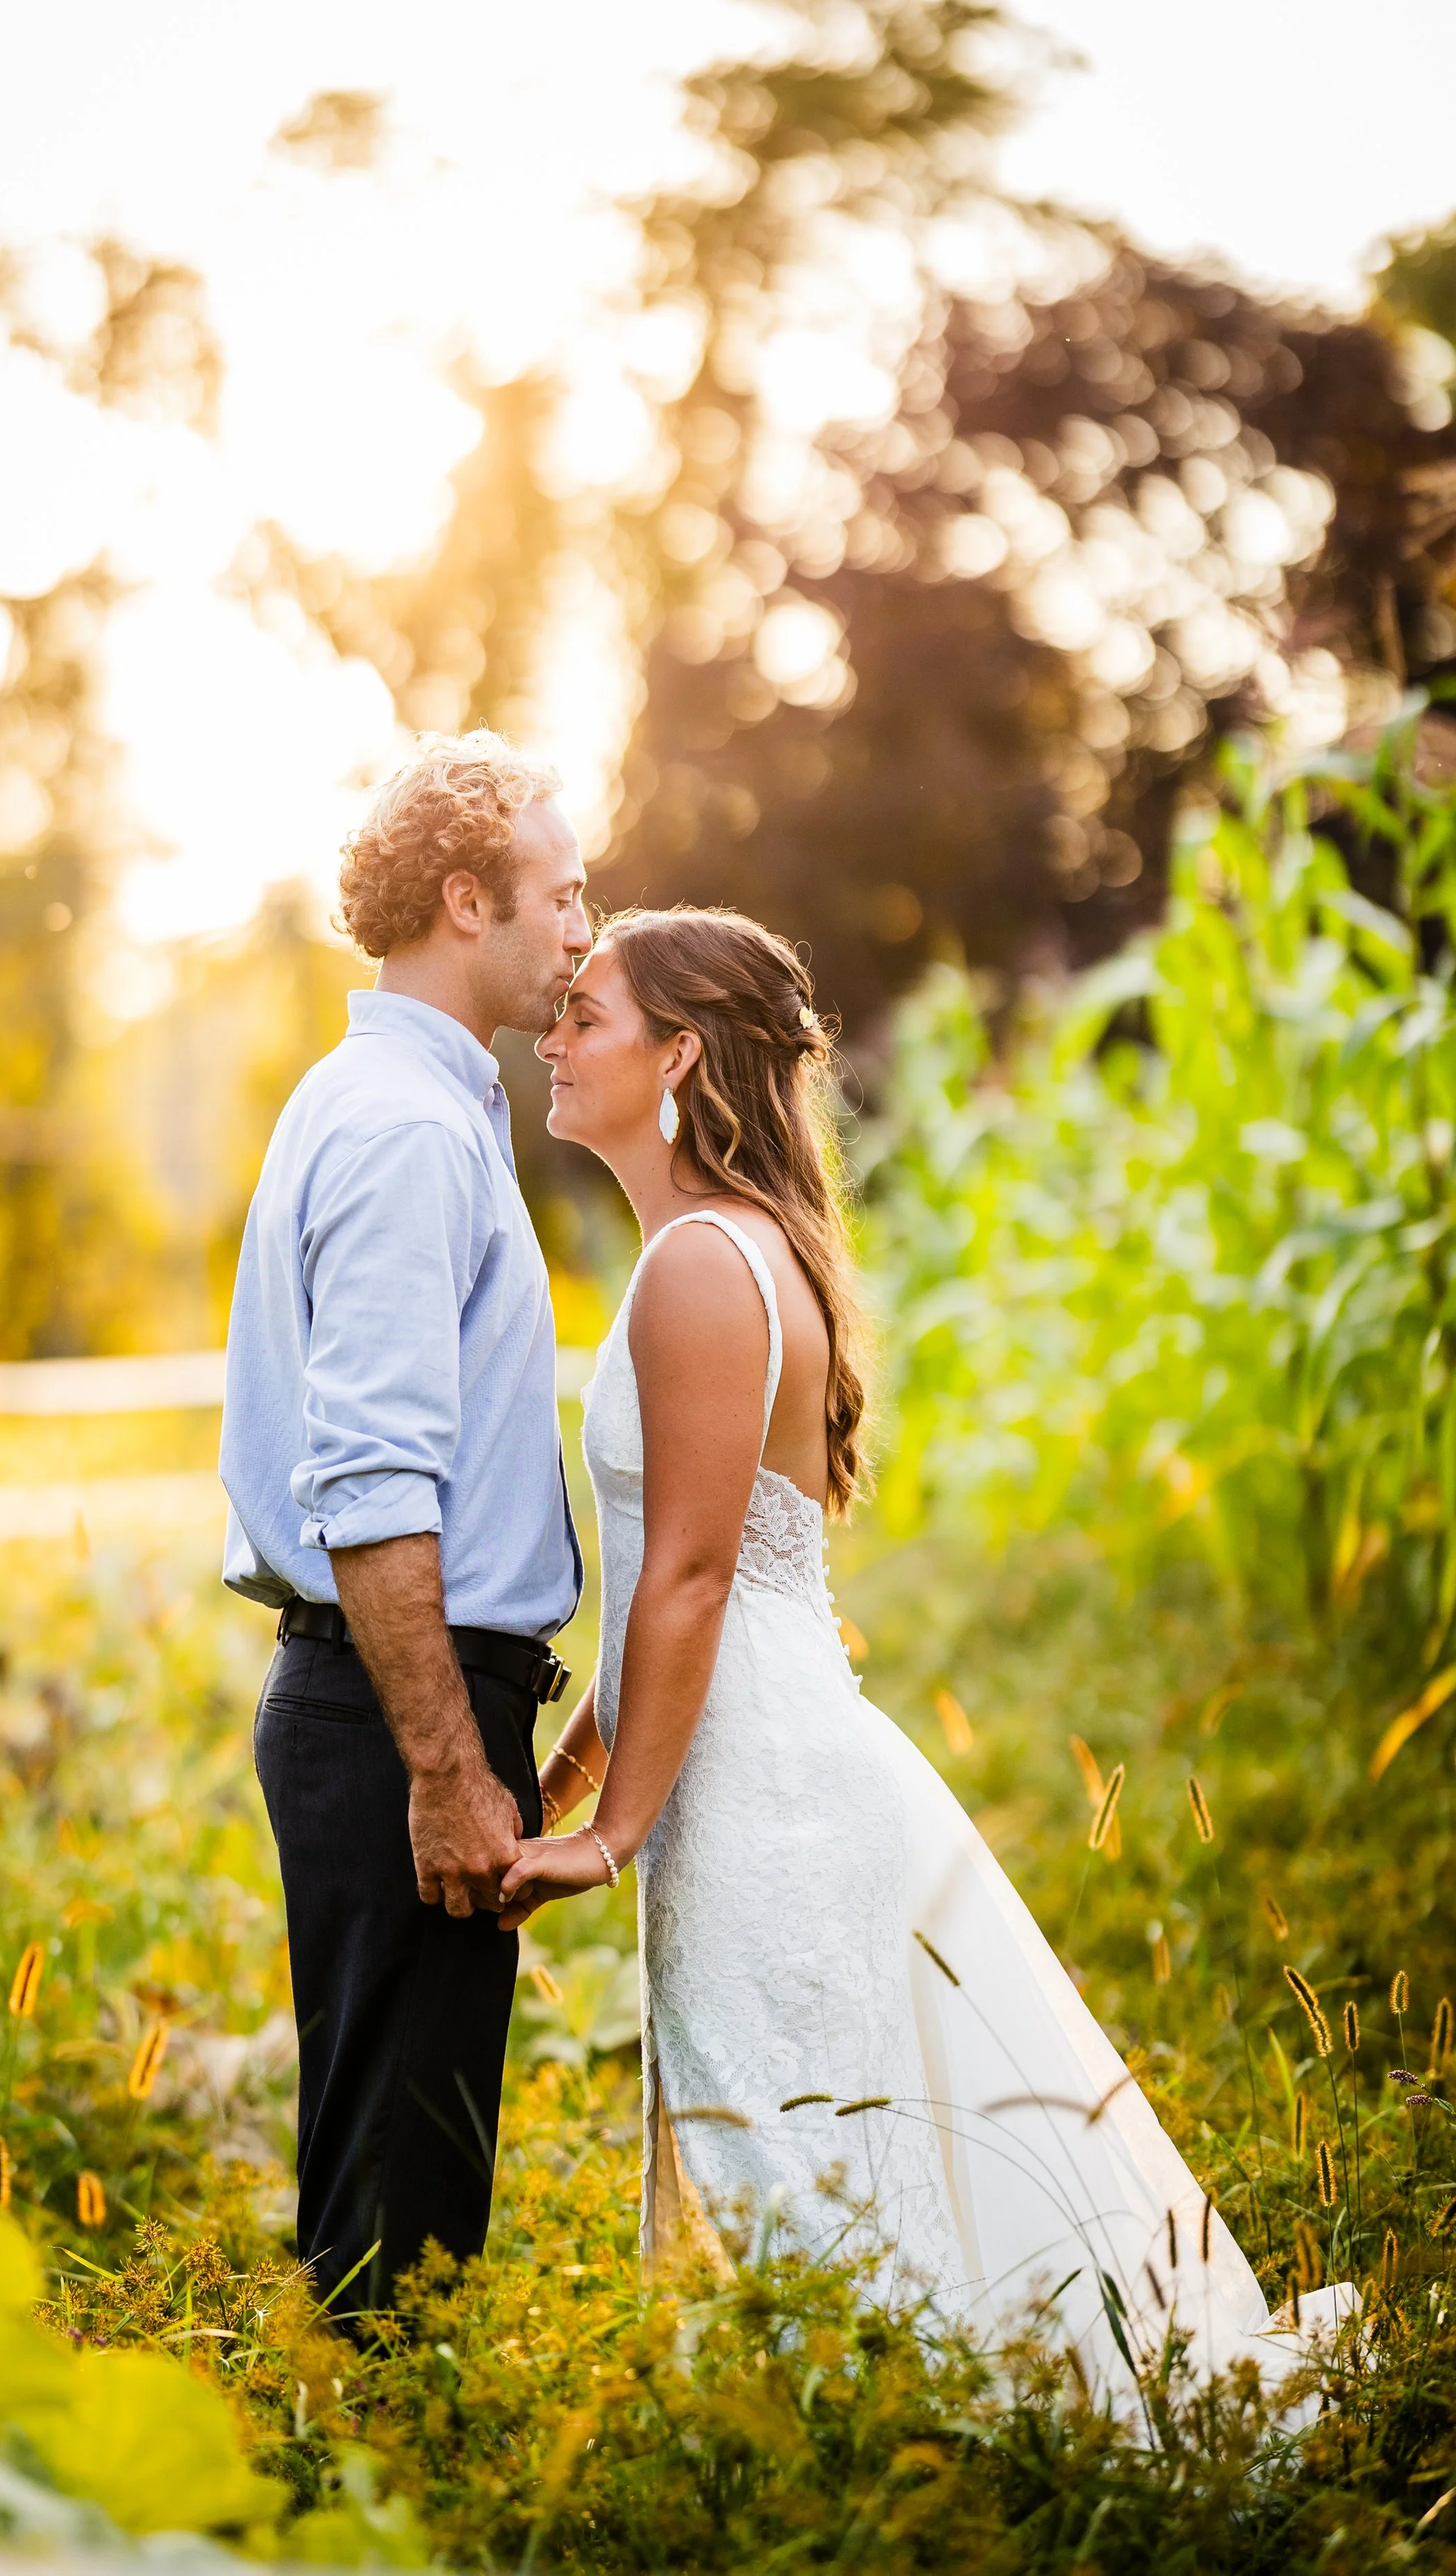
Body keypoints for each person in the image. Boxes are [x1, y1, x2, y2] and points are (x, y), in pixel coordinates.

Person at [502, 904, 1348, 2404]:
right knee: (820, 2128)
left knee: (791, 2133)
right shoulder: (725, 1248)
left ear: (679, 1057)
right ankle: (869, 2430)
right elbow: (665, 1581)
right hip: (760, 1751)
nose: (552, 1039)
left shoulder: (701, 1265)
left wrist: (609, 1835)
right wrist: (558, 1784)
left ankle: (893, 2447)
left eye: (587, 1016)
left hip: (755, 1783)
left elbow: (691, 1582)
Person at [220, 731, 588, 2323]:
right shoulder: (405, 1131)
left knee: (392, 2164)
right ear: (464, 901)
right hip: (399, 1710)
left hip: (394, 1704)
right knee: (400, 2217)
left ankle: (364, 2471)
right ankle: (380, 2507)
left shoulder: (394, 1100)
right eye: (561, 896)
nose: (584, 929)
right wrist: (446, 1767)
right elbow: (370, 1485)